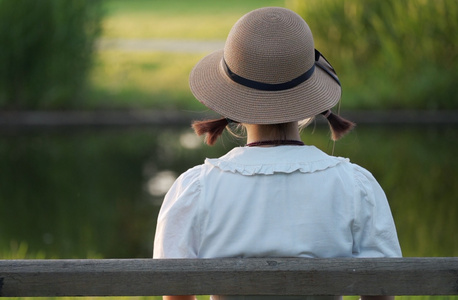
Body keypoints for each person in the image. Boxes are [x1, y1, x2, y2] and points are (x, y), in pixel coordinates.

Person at [153, 7, 402, 300]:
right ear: (309, 97)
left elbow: (175, 293)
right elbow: (381, 292)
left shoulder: (196, 189)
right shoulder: (356, 187)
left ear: (231, 101)